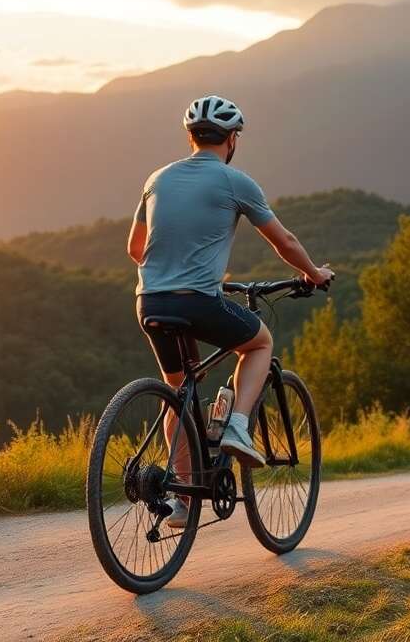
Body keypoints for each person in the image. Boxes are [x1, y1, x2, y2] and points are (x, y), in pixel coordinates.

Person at [127, 94, 334, 527]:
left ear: (190, 137)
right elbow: (285, 243)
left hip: (150, 300)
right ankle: (238, 425)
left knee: (178, 393)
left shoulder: (157, 179)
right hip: (198, 300)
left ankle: (182, 501)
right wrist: (314, 274)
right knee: (259, 343)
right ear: (232, 139)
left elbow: (135, 249)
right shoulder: (235, 181)